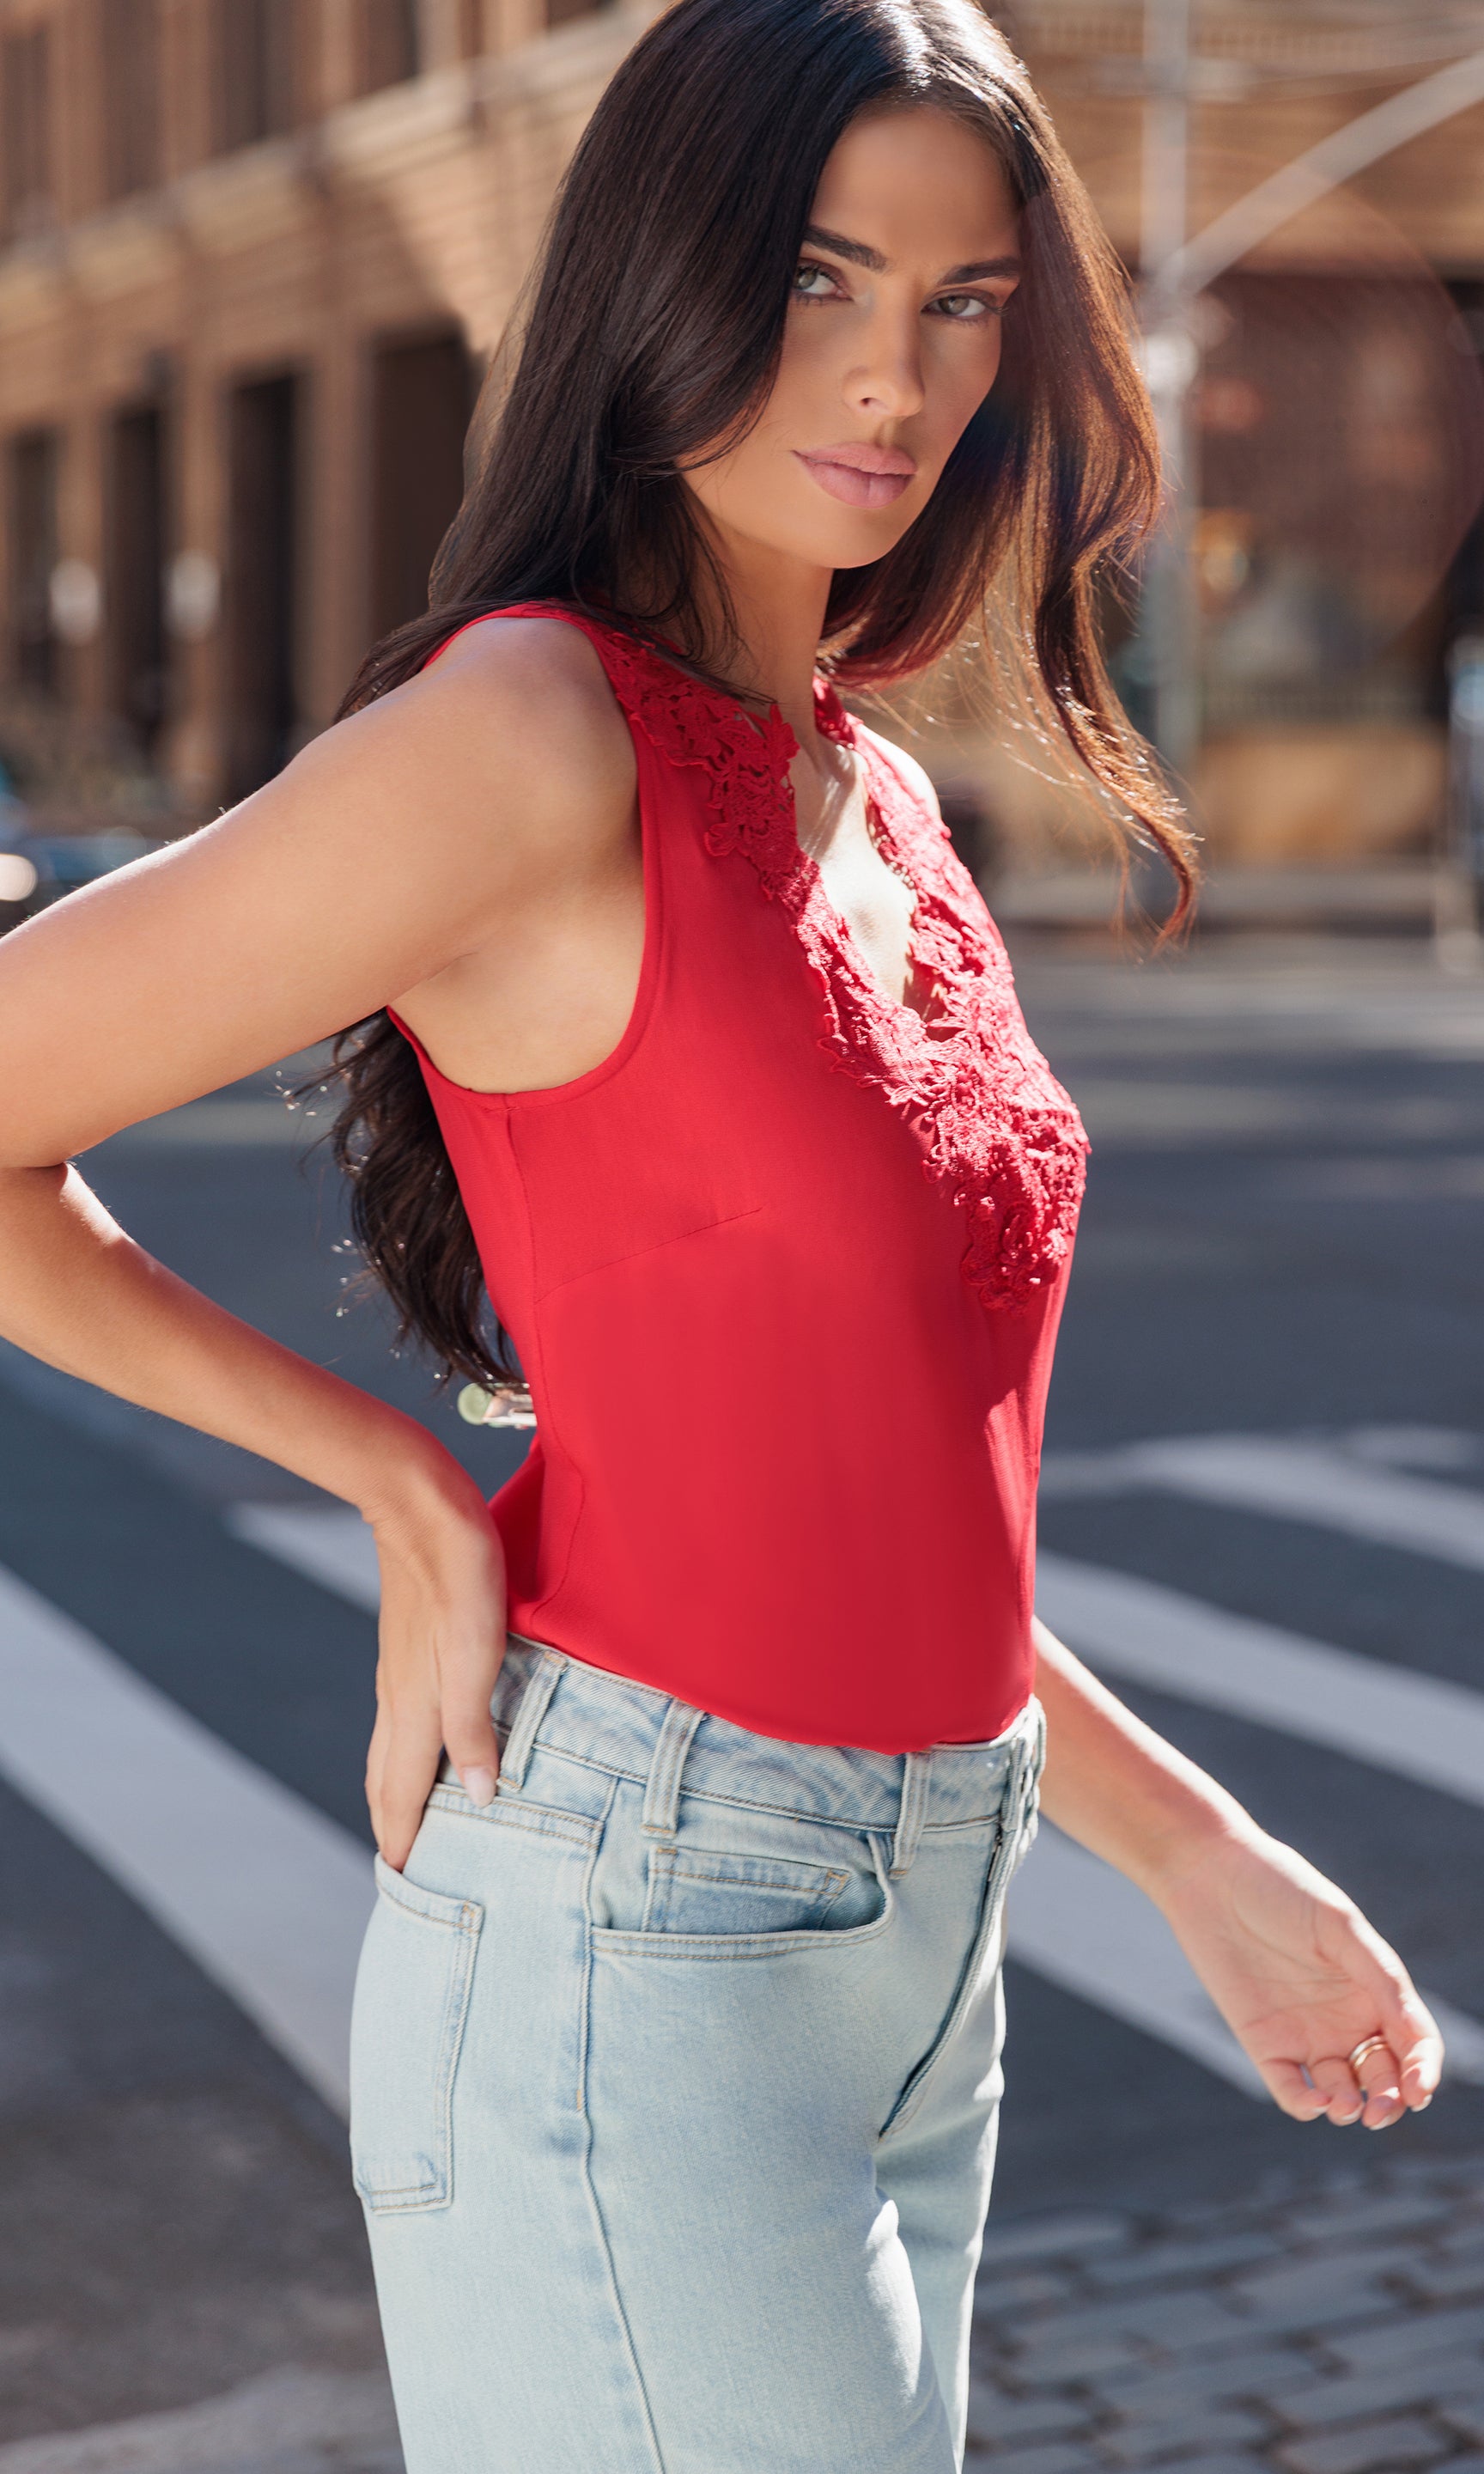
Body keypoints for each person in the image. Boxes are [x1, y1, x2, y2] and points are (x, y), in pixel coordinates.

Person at [0, 3, 1441, 2467]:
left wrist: (1199, 1859)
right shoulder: (528, 737)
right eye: (816, 278)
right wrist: (395, 1489)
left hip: (926, 1940)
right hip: (638, 1940)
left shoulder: (883, 798)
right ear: (661, 270)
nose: (896, 378)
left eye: (965, 301)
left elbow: (883, 1490)